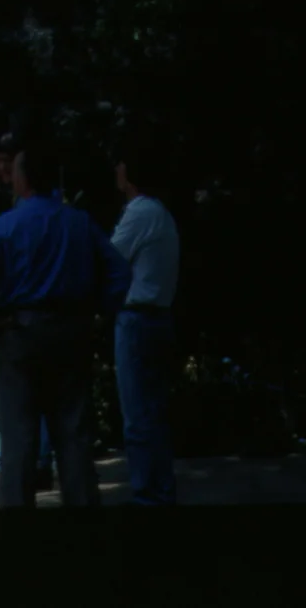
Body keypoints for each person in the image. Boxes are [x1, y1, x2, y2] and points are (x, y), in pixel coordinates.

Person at [0, 144, 131, 508]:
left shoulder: (5, 226)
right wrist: (101, 313)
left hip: (20, 334)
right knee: (74, 434)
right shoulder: (80, 223)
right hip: (72, 332)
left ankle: (18, 530)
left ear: (22, 180)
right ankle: (82, 525)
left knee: (19, 436)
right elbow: (119, 271)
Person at [0, 131, 57, 501]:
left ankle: (15, 473)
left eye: (8, 164)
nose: (3, 171)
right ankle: (40, 467)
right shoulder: (64, 214)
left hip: (19, 321)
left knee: (18, 404)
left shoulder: (15, 217)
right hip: (57, 322)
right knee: (57, 405)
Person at [110, 133, 181, 506]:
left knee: (137, 414)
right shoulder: (162, 213)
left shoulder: (139, 212)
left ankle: (147, 495)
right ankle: (162, 489)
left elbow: (110, 260)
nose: (117, 170)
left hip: (137, 319)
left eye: (121, 164)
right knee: (154, 411)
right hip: (158, 317)